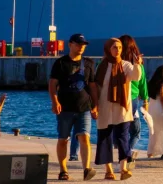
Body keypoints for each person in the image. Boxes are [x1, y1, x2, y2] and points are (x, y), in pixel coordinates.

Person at [49, 34, 98, 181]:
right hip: (65, 108)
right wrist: (55, 102)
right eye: (78, 44)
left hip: (84, 108)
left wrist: (95, 105)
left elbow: (92, 86)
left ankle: (86, 168)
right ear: (70, 45)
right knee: (63, 139)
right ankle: (63, 170)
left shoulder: (89, 63)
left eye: (83, 44)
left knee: (84, 137)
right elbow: (52, 84)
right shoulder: (60, 63)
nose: (81, 46)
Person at [94, 38, 142, 180]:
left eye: (120, 47)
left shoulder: (126, 65)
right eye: (115, 47)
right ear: (108, 48)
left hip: (122, 108)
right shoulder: (102, 66)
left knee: (123, 138)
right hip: (104, 108)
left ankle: (124, 169)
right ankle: (108, 170)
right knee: (104, 138)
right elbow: (97, 87)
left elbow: (135, 76)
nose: (118, 50)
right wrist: (94, 106)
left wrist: (138, 65)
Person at [119, 34, 148, 167]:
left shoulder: (117, 64)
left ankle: (125, 155)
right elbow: (142, 83)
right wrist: (146, 101)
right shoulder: (137, 65)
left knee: (121, 130)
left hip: (117, 98)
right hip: (133, 99)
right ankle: (126, 155)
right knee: (135, 132)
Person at [147, 66, 163, 158]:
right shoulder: (162, 84)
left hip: (152, 108)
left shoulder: (151, 83)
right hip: (159, 108)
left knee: (153, 131)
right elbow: (162, 97)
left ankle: (150, 152)